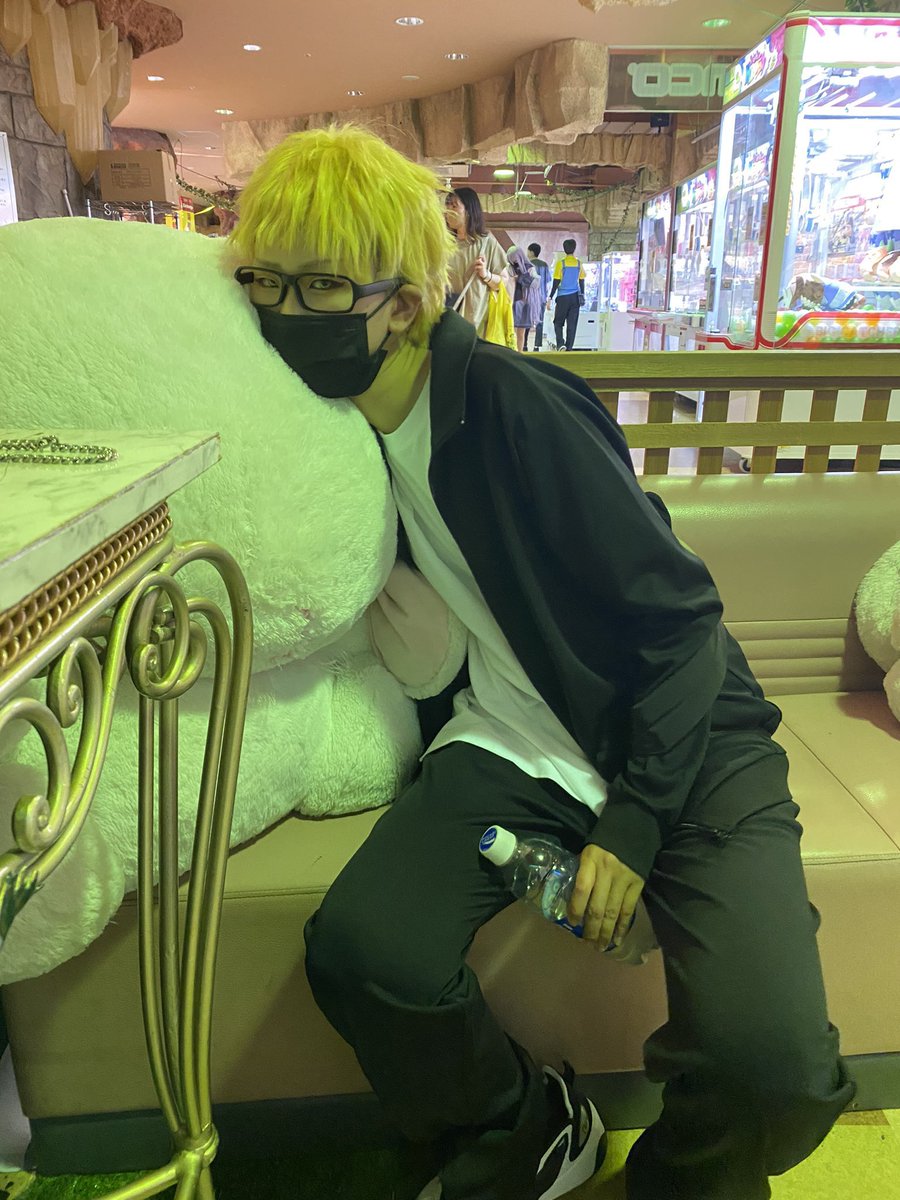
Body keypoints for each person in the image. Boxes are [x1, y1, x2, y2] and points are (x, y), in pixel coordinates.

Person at [230, 124, 854, 1200]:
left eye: (323, 285)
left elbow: (681, 625)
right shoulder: (322, 435)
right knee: (366, 954)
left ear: (405, 304)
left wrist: (637, 821)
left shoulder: (518, 406)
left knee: (776, 1072)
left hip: (683, 737)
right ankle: (527, 1126)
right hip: (516, 737)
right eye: (266, 282)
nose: (287, 313)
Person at [444, 186, 508, 335]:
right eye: (447, 205)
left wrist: (486, 275)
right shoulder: (444, 245)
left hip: (476, 325)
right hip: (447, 321)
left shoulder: (487, 244)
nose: (448, 211)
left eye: (454, 206)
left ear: (469, 211)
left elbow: (504, 282)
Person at [549, 238, 585, 351]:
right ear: (574, 249)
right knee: (572, 324)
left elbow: (556, 282)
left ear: (564, 249)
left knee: (558, 322)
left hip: (562, 297)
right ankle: (569, 347)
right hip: (575, 298)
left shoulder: (561, 264)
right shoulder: (579, 264)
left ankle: (560, 344)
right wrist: (582, 294)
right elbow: (582, 280)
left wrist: (550, 296)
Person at [507, 245, 541, 353]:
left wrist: (522, 278)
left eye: (515, 259)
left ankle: (519, 353)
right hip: (511, 301)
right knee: (510, 331)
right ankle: (511, 352)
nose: (514, 262)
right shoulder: (509, 268)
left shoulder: (530, 268)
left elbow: (536, 283)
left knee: (520, 332)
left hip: (524, 302)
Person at [524, 242, 551, 352]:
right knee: (540, 322)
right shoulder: (544, 265)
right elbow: (548, 281)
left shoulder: (526, 264)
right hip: (542, 297)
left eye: (528, 251)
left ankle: (524, 344)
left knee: (526, 321)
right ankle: (537, 346)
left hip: (529, 298)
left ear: (531, 252)